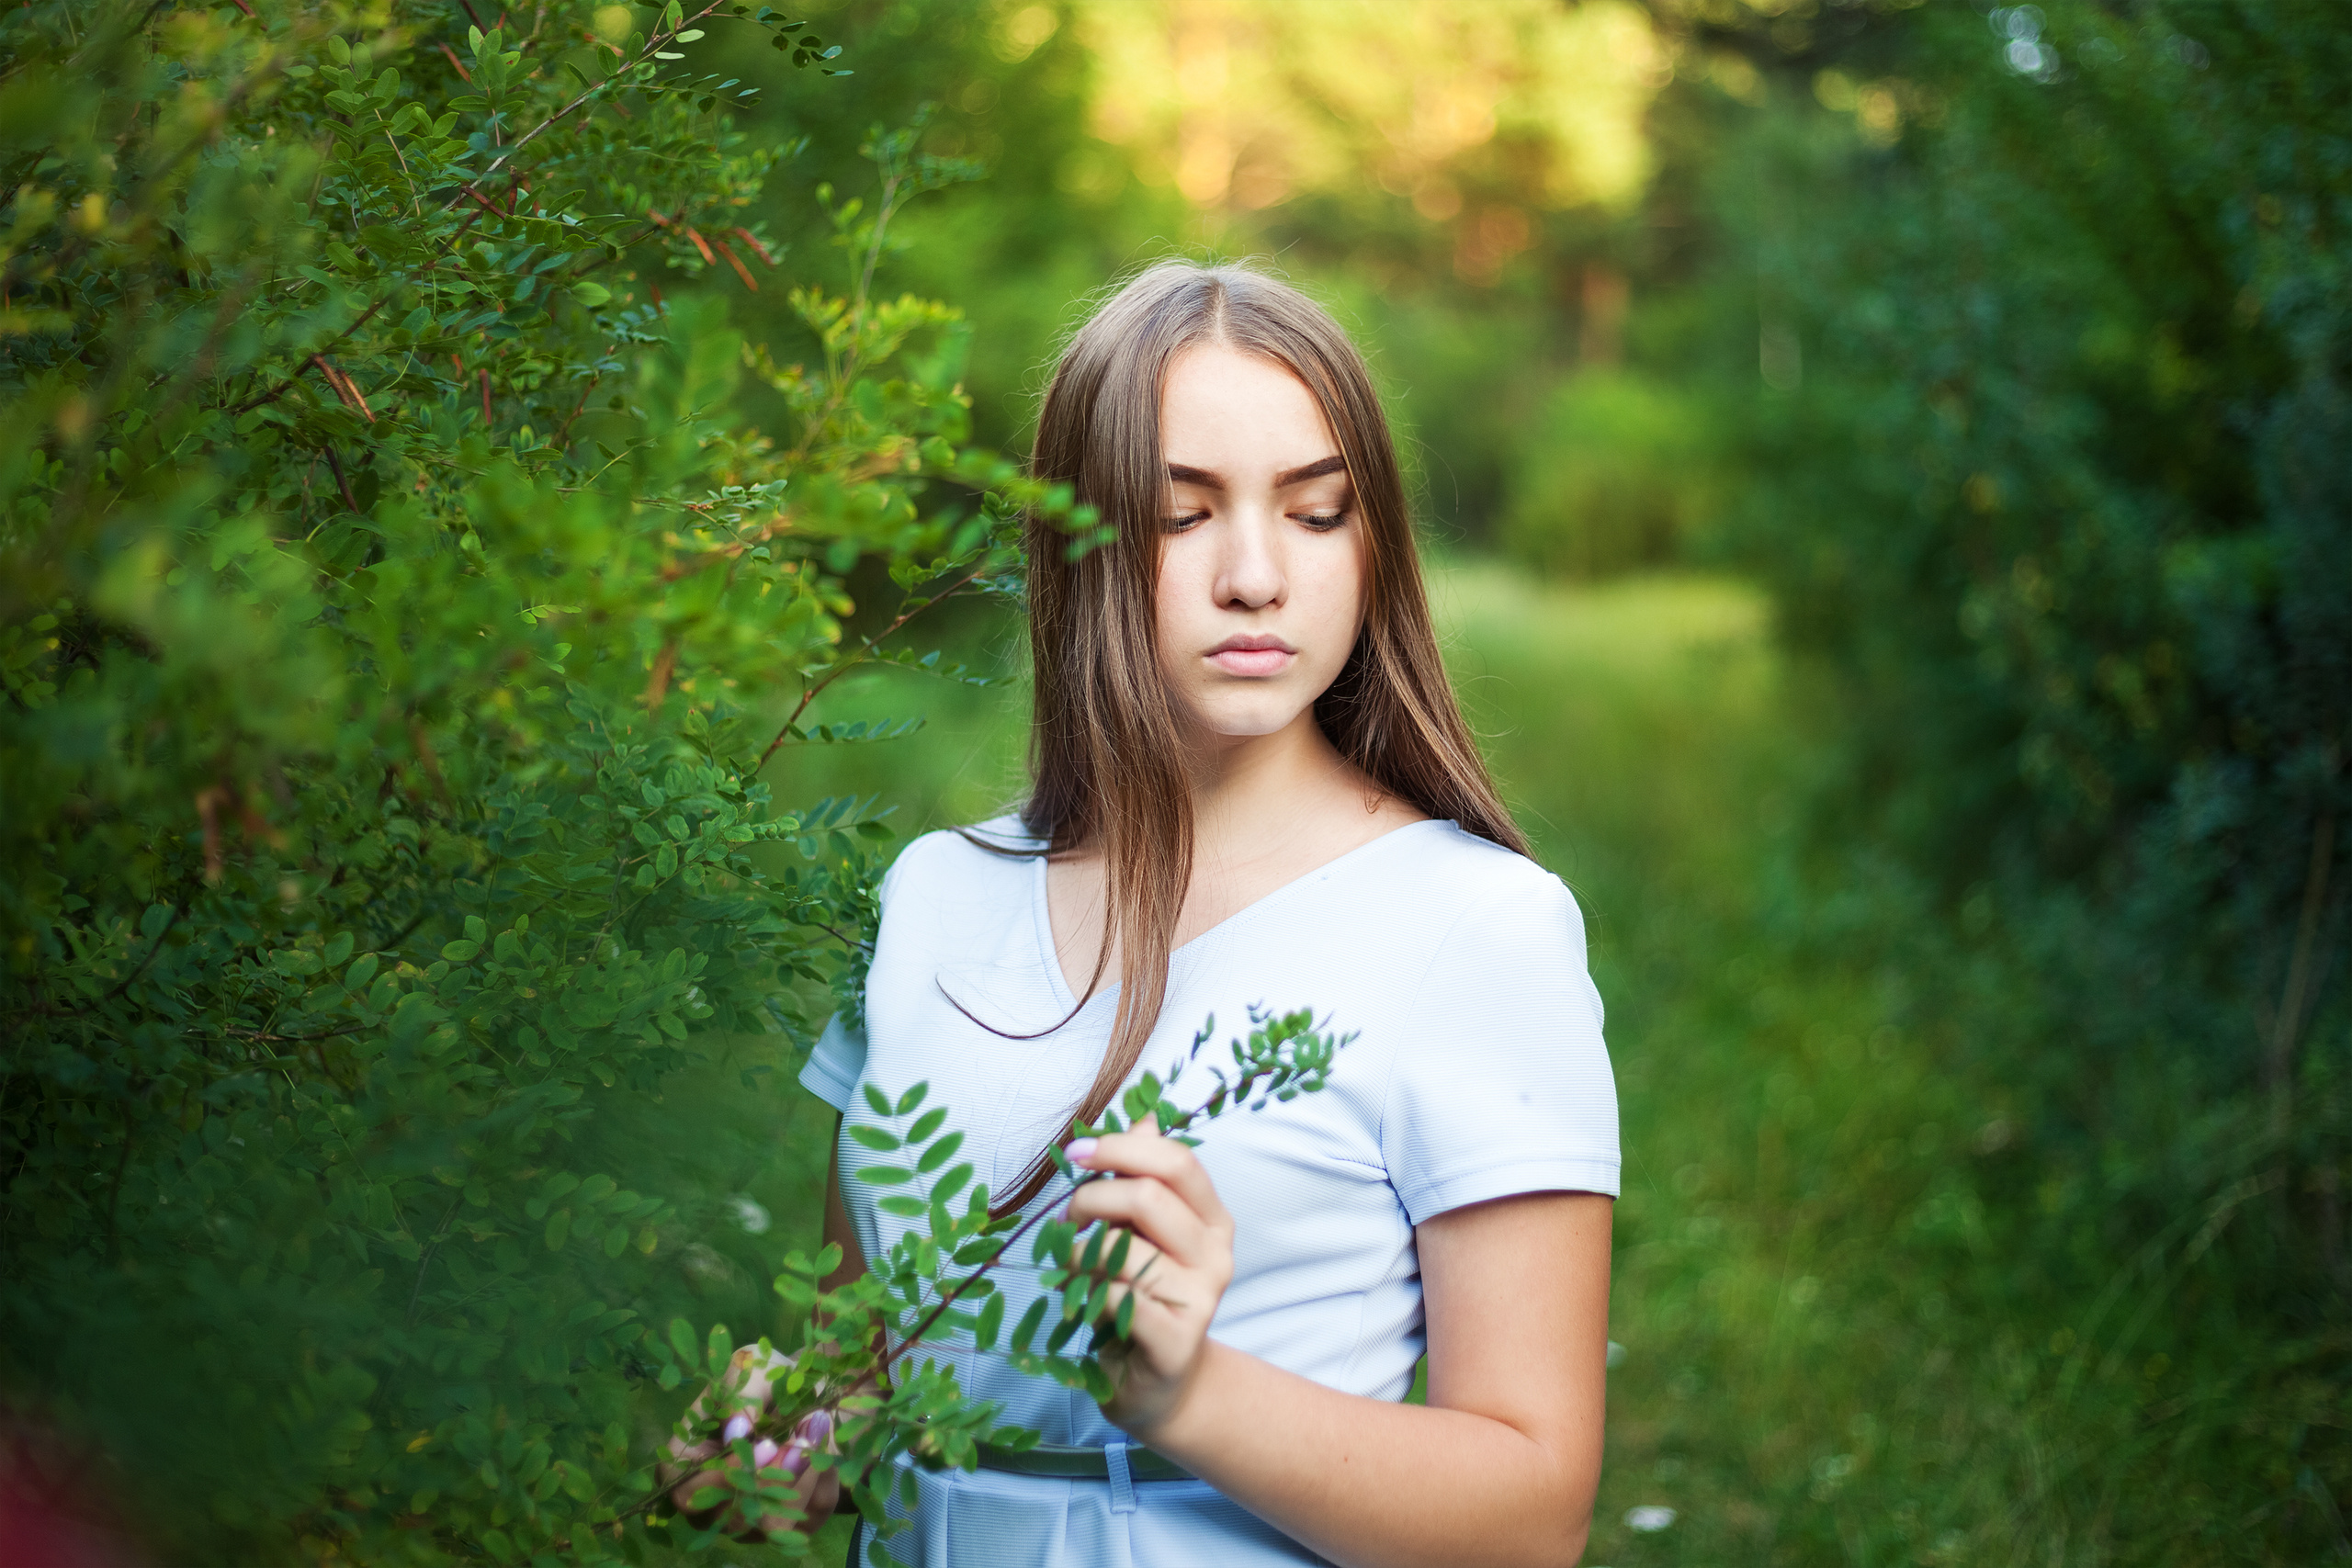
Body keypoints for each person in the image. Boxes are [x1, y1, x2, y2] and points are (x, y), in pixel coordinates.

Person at [673, 260, 1618, 1566]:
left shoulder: (1477, 924)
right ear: (1083, 545)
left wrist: (1187, 1395)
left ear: (1375, 541)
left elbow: (1530, 1518)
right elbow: (865, 1374)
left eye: (1316, 513)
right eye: (1182, 517)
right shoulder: (936, 902)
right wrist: (777, 1456)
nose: (1253, 576)